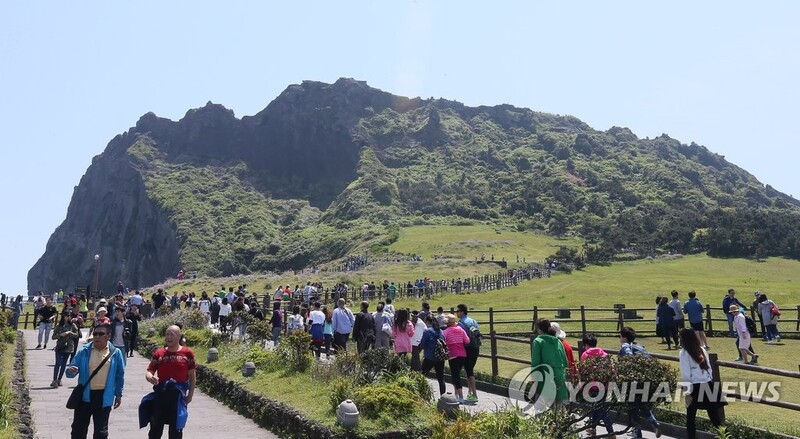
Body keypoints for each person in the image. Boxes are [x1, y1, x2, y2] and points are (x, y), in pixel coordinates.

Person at [66, 322, 125, 439]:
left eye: (100, 334)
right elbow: (69, 372)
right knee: (78, 430)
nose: (97, 336)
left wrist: (118, 394)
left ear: (108, 336)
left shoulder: (115, 353)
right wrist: (71, 371)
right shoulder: (84, 351)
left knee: (101, 432)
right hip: (84, 396)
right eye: (95, 333)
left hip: (104, 396)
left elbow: (120, 375)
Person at [143, 325, 196, 438]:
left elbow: (192, 377)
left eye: (172, 334)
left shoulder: (187, 353)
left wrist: (190, 396)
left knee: (176, 431)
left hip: (177, 397)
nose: (169, 337)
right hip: (161, 395)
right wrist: (150, 377)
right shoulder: (160, 353)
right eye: (167, 334)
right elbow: (150, 371)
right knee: (155, 430)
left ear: (179, 336)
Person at [678, 328, 724, 439]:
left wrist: (687, 392)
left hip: (695, 386)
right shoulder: (702, 349)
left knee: (691, 417)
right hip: (707, 384)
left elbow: (686, 374)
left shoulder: (684, 353)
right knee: (715, 417)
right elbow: (709, 369)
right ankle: (725, 437)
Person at [619, 327, 660, 438]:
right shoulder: (640, 346)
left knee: (633, 408)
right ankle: (654, 422)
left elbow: (629, 358)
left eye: (620, 336)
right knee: (641, 404)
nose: (619, 338)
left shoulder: (625, 346)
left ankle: (637, 433)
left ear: (624, 337)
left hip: (632, 381)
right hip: (645, 380)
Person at [580, 333, 614, 438]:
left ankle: (611, 433)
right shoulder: (605, 354)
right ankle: (593, 428)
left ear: (586, 345)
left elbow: (583, 371)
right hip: (605, 385)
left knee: (601, 410)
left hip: (592, 386)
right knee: (596, 407)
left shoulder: (585, 355)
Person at [531, 319, 568, 408]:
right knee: (559, 410)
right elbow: (565, 361)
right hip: (560, 378)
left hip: (545, 377)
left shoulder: (538, 341)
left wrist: (534, 378)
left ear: (539, 329)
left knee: (542, 410)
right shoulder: (558, 341)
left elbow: (536, 362)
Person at [442, 314, 471, 402]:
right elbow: (467, 341)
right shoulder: (461, 330)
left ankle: (460, 397)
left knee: (455, 375)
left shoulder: (446, 331)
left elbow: (443, 341)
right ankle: (457, 394)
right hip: (462, 354)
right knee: (457, 374)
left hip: (453, 355)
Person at [456, 304, 480, 402]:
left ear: (462, 312)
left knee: (469, 372)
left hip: (467, 348)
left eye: (457, 311)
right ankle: (470, 393)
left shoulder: (461, 323)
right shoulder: (473, 321)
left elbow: (461, 338)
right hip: (476, 347)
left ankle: (474, 395)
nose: (456, 313)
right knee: (469, 370)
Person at [419, 314, 446, 396]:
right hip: (440, 358)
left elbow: (422, 345)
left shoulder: (427, 331)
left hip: (429, 357)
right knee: (441, 378)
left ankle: (420, 394)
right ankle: (443, 396)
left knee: (422, 376)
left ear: (427, 322)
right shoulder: (441, 331)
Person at [52, 312, 79, 387]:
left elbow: (77, 335)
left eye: (69, 316)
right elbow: (53, 336)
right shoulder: (58, 326)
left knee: (64, 364)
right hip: (60, 346)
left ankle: (59, 379)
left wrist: (70, 332)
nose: (68, 317)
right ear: (63, 316)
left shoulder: (72, 325)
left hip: (68, 346)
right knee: (57, 363)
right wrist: (61, 335)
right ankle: (54, 379)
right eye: (67, 316)